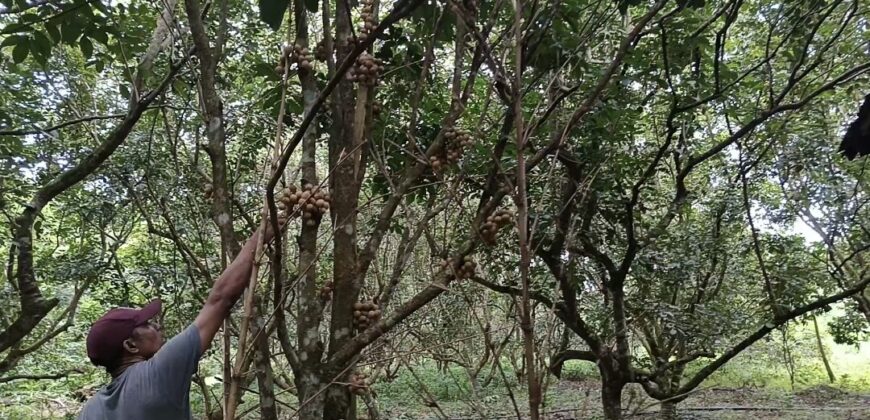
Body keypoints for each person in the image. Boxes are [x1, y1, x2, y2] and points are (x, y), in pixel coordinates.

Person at [78, 219, 280, 420]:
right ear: (130, 345)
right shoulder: (157, 374)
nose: (155, 325)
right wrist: (261, 236)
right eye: (146, 324)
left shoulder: (90, 410)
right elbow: (221, 299)